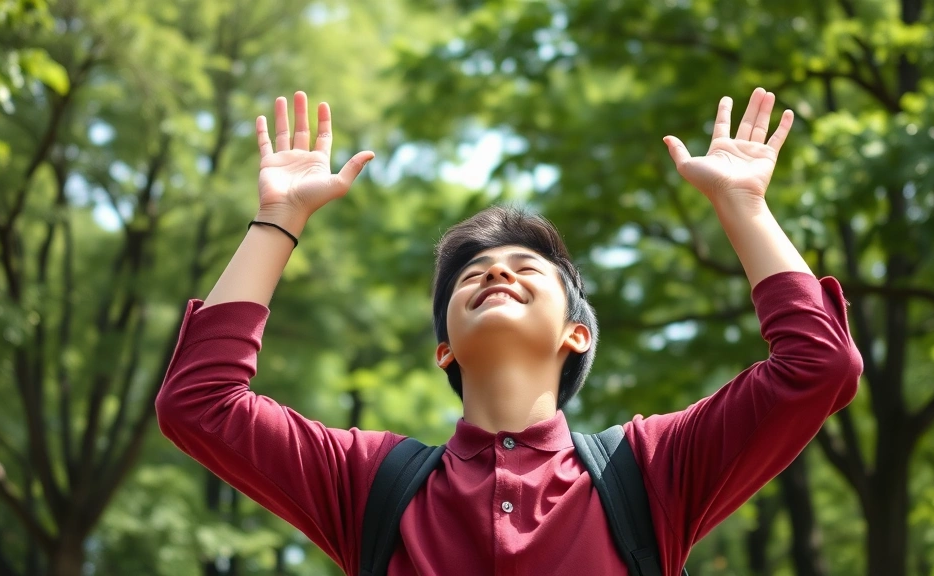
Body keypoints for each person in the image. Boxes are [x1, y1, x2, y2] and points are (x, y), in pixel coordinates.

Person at [155, 87, 862, 575]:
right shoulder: (369, 485)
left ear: (576, 334)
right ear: (444, 350)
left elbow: (819, 367)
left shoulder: (649, 474)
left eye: (526, 266)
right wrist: (278, 220)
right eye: (472, 274)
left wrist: (743, 208)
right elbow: (200, 403)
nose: (496, 273)